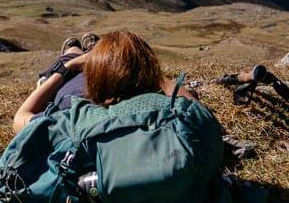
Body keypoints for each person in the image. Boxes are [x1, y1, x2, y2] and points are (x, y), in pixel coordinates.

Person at [14, 30, 196, 133]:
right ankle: (96, 51)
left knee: (71, 54)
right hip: (121, 82)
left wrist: (65, 70)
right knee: (94, 57)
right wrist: (141, 68)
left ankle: (78, 52)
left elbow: (21, 118)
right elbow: (195, 108)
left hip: (75, 87)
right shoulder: (155, 111)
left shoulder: (73, 119)